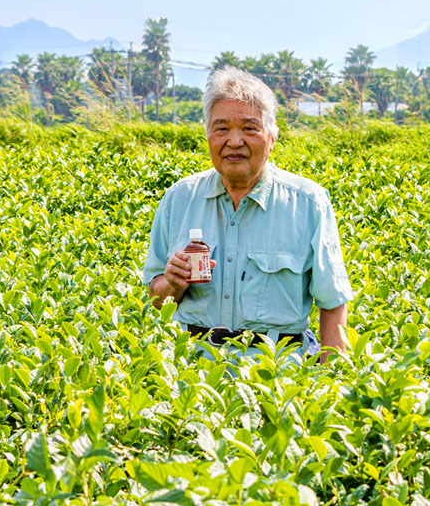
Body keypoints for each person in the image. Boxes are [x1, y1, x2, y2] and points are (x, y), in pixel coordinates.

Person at [143, 65, 353, 362]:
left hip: (277, 373)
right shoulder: (179, 198)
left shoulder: (308, 202)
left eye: (249, 128)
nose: (235, 141)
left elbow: (332, 303)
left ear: (271, 138)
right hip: (194, 370)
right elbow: (156, 299)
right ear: (208, 136)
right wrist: (173, 283)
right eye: (222, 128)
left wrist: (332, 378)